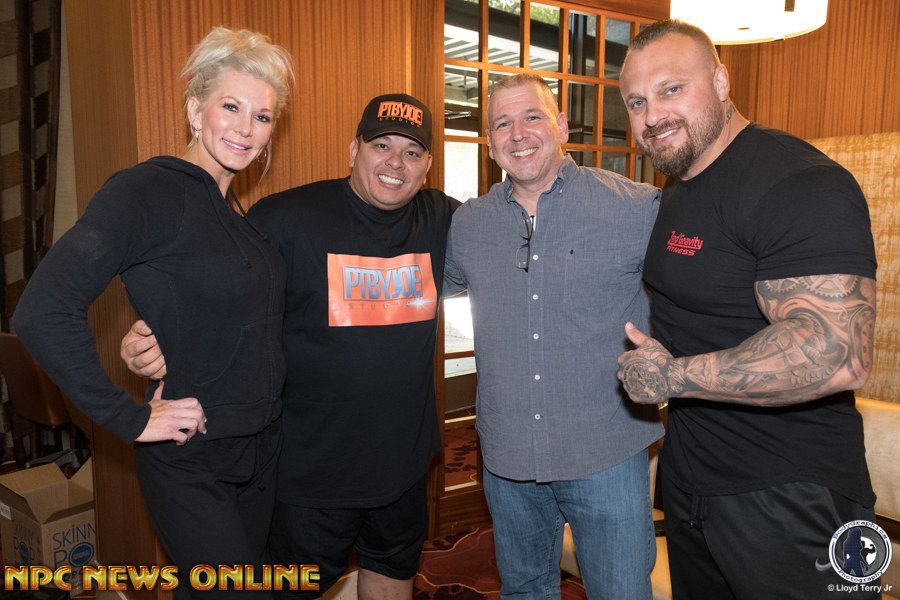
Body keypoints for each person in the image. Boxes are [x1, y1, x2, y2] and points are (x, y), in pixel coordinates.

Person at [122, 93, 459, 600]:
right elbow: (217, 302)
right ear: (354, 150)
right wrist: (150, 343)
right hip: (308, 475)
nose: (396, 162)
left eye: (412, 152)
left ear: (428, 165)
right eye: (381, 146)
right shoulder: (285, 218)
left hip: (404, 467)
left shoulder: (443, 219)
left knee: (393, 578)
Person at [12, 27, 294, 598]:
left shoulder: (233, 210)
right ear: (194, 109)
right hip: (193, 454)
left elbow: (228, 317)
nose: (246, 128)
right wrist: (130, 418)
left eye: (262, 116)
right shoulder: (144, 192)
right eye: (231, 107)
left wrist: (163, 339)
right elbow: (41, 310)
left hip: (258, 447)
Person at [616, 19, 878, 600]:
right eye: (636, 101)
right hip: (694, 480)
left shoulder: (800, 182)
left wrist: (671, 377)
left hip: (794, 490)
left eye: (671, 89)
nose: (653, 115)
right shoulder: (681, 184)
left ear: (721, 82)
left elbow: (835, 352)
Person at [443, 74, 663, 599]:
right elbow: (417, 294)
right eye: (502, 124)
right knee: (524, 590)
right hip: (509, 457)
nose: (518, 134)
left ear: (561, 125)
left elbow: (695, 296)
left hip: (606, 452)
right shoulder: (468, 225)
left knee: (621, 592)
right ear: (489, 142)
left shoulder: (637, 208)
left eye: (532, 117)